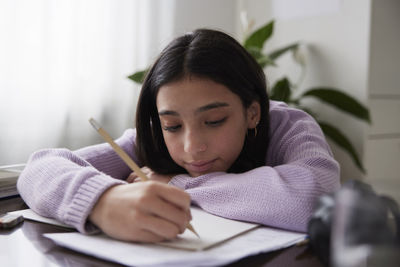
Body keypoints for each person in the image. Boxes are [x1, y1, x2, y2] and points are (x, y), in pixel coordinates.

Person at [17, 29, 340, 243]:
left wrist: (175, 182)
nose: (191, 147)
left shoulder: (288, 125)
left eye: (214, 120)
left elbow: (316, 197)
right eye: (172, 126)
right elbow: (40, 169)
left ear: (252, 112)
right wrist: (103, 202)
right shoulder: (152, 139)